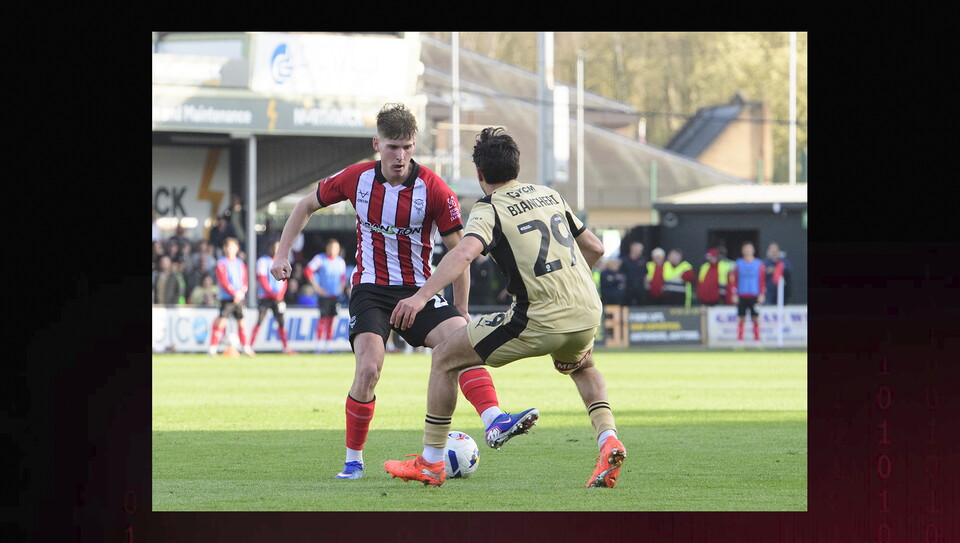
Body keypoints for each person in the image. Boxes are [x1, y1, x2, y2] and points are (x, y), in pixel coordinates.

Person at [269, 103, 533, 481]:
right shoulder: (356, 179)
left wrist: (460, 309)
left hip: (418, 289)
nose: (400, 155)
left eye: (408, 147)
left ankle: (493, 419)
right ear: (377, 144)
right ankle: (353, 460)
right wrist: (282, 254)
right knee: (370, 368)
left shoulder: (435, 189)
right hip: (370, 291)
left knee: (462, 344)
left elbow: (461, 254)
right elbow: (304, 206)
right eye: (393, 147)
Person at [384, 127, 625, 488]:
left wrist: (420, 297)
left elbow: (464, 252)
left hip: (538, 315)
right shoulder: (549, 195)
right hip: (587, 307)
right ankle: (608, 438)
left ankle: (431, 462)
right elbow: (595, 248)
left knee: (445, 358)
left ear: (479, 174)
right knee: (583, 366)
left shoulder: (490, 207)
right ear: (517, 166)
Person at [208, 237, 256, 356]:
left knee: (241, 322)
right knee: (221, 322)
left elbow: (245, 280)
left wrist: (241, 292)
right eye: (227, 246)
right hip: (227, 298)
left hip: (239, 298)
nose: (230, 249)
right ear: (224, 248)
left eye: (232, 246)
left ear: (237, 248)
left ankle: (245, 347)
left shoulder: (240, 263)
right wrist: (234, 293)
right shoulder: (221, 263)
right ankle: (212, 348)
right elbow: (223, 281)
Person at [303, 238, 347, 353]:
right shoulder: (320, 259)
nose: (333, 250)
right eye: (331, 247)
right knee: (322, 319)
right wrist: (316, 287)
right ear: (327, 248)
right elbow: (308, 270)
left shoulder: (340, 261)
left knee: (332, 320)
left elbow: (342, 277)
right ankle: (319, 345)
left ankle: (328, 345)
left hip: (335, 295)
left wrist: (341, 287)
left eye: (336, 248)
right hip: (324, 296)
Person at [251, 240, 296, 354]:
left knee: (281, 321)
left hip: (278, 298)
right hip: (266, 297)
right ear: (270, 248)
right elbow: (262, 279)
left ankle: (286, 347)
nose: (276, 250)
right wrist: (271, 293)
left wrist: (281, 294)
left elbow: (285, 280)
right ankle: (250, 346)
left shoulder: (283, 261)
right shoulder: (263, 261)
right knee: (260, 320)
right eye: (274, 247)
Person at [730, 240, 766, 343]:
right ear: (742, 251)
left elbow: (762, 280)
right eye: (745, 249)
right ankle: (740, 339)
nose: (747, 251)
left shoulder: (759, 264)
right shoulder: (738, 263)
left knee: (756, 317)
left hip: (755, 294)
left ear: (753, 250)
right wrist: (734, 293)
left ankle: (757, 339)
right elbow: (733, 279)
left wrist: (762, 293)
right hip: (742, 294)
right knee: (741, 317)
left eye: (749, 248)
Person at [619, 241, 647, 306]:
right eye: (639, 249)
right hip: (628, 287)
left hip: (640, 287)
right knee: (627, 303)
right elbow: (621, 274)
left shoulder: (643, 260)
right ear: (633, 249)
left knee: (641, 304)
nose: (640, 251)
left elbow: (645, 274)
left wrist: (645, 285)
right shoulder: (625, 260)